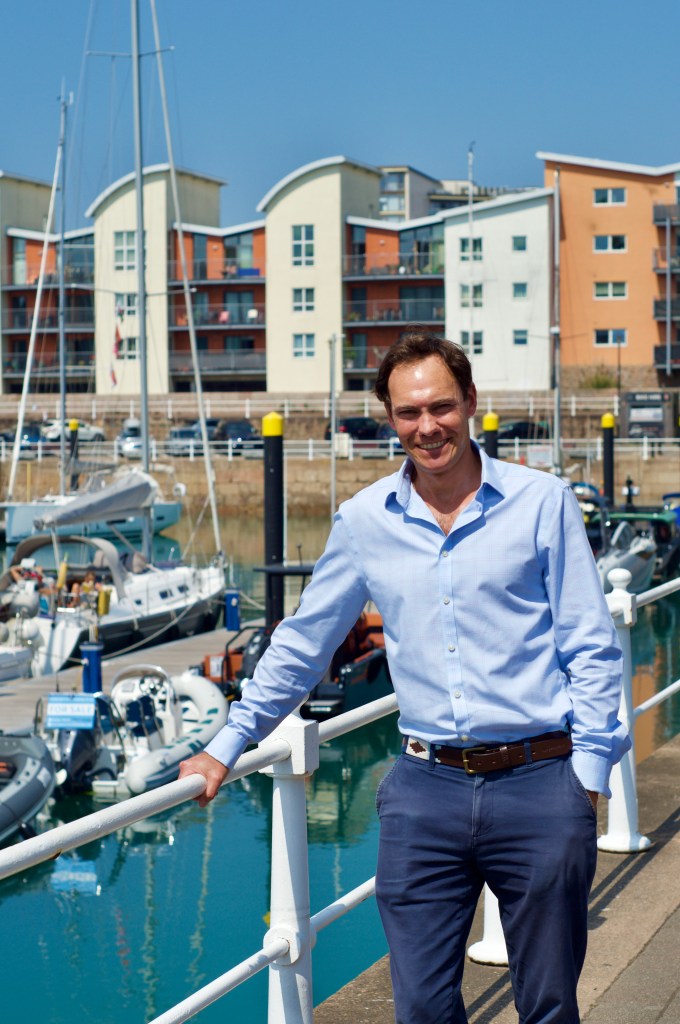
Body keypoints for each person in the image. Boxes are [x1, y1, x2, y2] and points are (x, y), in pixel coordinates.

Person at [179, 329, 630, 1024]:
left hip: (541, 784)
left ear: (470, 401)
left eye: (440, 407)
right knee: (419, 1008)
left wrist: (589, 778)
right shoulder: (363, 521)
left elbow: (590, 646)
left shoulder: (542, 501)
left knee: (547, 1004)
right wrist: (226, 743)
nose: (428, 427)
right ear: (390, 418)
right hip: (425, 791)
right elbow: (302, 645)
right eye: (409, 412)